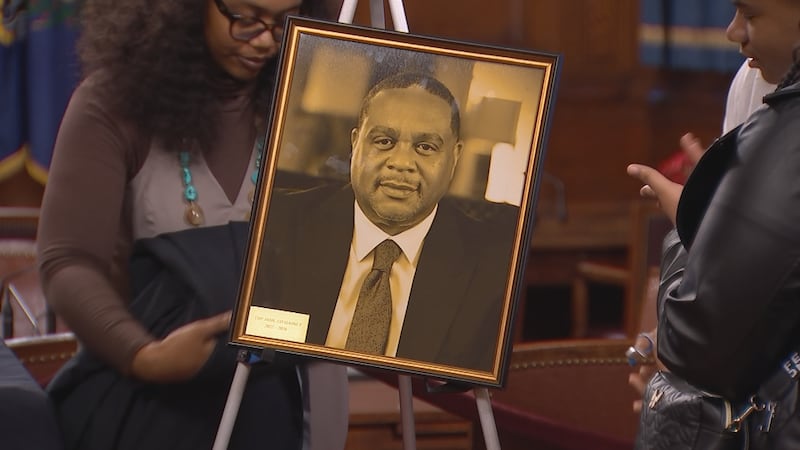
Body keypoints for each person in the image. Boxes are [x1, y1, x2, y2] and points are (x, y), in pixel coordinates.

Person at [35, 0, 348, 449]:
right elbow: (69, 261)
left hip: (290, 407)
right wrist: (144, 356)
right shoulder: (113, 103)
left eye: (283, 22)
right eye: (245, 18)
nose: (264, 40)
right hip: (155, 407)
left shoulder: (316, 103)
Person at [252, 72, 519, 372]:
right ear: (355, 143)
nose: (401, 163)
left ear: (454, 156)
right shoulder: (274, 223)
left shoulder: (496, 266)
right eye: (384, 141)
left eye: (425, 147)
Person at [627, 0, 800, 445]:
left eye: (751, 14)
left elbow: (701, 342)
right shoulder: (754, 80)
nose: (732, 32)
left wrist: (697, 220)